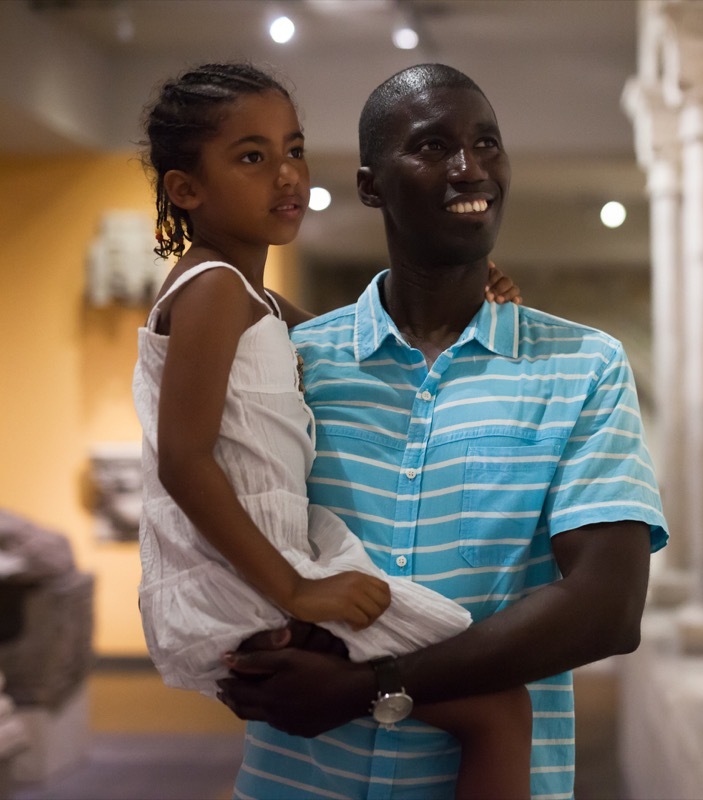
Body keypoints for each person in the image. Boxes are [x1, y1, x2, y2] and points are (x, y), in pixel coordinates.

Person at [216, 63, 669, 799]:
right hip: (298, 780)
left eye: (487, 144)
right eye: (433, 148)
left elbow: (607, 610)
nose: (470, 169)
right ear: (371, 185)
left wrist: (371, 686)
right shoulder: (294, 365)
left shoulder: (583, 367)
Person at [131, 62, 531, 799]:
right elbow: (183, 462)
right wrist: (297, 589)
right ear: (186, 190)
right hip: (251, 578)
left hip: (251, 571)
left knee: (475, 691)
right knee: (498, 702)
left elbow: (339, 337)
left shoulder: (247, 296)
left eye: (293, 148)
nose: (286, 175)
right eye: (252, 157)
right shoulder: (214, 289)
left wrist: (473, 287)